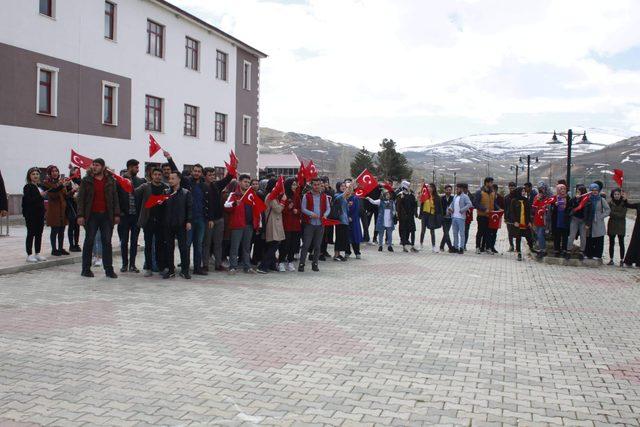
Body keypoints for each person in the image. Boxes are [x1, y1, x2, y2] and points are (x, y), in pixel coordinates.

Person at [76, 158, 120, 278]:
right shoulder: (86, 181)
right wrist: (80, 215)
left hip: (106, 215)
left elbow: (115, 198)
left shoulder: (110, 180)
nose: (94, 167)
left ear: (103, 167)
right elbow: (80, 199)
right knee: (89, 241)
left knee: (107, 242)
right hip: (91, 216)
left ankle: (109, 270)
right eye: (93, 165)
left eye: (97, 165)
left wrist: (116, 214)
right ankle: (85, 269)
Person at [136, 167, 170, 277]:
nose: (157, 176)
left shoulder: (166, 188)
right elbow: (134, 193)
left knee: (160, 245)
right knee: (148, 245)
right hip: (148, 220)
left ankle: (160, 267)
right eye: (155, 174)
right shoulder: (146, 186)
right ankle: (149, 267)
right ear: (152, 175)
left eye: (159, 175)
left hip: (161, 221)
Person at [117, 159, 146, 273]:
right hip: (124, 216)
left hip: (136, 216)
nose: (138, 169)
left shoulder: (140, 181)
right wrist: (118, 213)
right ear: (130, 167)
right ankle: (124, 264)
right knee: (124, 241)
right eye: (136, 167)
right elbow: (116, 197)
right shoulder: (120, 180)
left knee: (134, 241)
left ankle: (132, 265)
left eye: (138, 167)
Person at [180, 163, 210, 275]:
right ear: (192, 171)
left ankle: (197, 268)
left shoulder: (204, 185)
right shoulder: (186, 183)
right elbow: (176, 171)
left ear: (201, 173)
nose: (197, 173)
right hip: (189, 220)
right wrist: (169, 158)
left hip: (201, 219)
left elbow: (208, 203)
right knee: (187, 244)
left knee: (198, 245)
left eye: (199, 171)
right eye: (195, 171)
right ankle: (185, 268)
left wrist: (209, 218)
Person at [224, 174, 257, 274]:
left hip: (249, 225)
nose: (247, 184)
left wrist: (257, 223)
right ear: (239, 182)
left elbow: (256, 210)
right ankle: (232, 267)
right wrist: (234, 204)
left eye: (248, 182)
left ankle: (247, 267)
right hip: (237, 225)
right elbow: (226, 206)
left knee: (247, 248)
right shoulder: (233, 195)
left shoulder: (251, 195)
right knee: (235, 247)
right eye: (245, 182)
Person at [162, 171, 192, 279]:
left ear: (179, 179)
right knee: (169, 248)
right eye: (169, 178)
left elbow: (189, 208)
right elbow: (162, 209)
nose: (170, 180)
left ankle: (185, 270)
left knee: (183, 248)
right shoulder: (166, 192)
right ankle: (170, 270)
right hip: (168, 224)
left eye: (173, 178)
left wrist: (189, 221)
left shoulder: (185, 193)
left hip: (181, 224)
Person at [203, 168, 233, 272]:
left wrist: (234, 165)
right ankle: (205, 265)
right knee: (207, 243)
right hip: (208, 220)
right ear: (205, 176)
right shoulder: (201, 187)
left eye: (213, 175)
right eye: (210, 175)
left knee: (218, 243)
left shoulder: (216, 185)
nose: (212, 177)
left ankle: (218, 264)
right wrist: (209, 218)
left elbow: (229, 177)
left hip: (219, 219)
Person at [299, 177, 330, 272]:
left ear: (321, 185)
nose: (317, 186)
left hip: (320, 224)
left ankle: (315, 264)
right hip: (309, 224)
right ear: (311, 185)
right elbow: (303, 208)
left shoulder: (324, 196)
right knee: (306, 245)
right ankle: (301, 264)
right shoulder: (306, 196)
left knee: (317, 246)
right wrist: (311, 213)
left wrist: (325, 215)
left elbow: (328, 208)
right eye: (315, 185)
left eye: (318, 185)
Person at [257, 179, 286, 274]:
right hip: (272, 223)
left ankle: (272, 264)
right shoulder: (271, 196)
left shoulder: (274, 196)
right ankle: (263, 266)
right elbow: (278, 209)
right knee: (274, 245)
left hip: (275, 223)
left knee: (272, 245)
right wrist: (283, 201)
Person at [42, 165, 69, 256]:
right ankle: (54, 249)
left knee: (62, 230)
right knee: (55, 230)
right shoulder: (47, 183)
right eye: (53, 171)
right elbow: (53, 194)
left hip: (62, 209)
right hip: (54, 210)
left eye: (56, 171)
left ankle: (60, 248)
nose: (55, 173)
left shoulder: (60, 182)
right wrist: (61, 186)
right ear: (49, 173)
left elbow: (65, 194)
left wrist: (72, 190)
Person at [22, 167, 47, 262]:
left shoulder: (40, 186)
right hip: (31, 214)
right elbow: (29, 200)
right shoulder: (28, 187)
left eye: (37, 174)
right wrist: (40, 196)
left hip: (40, 214)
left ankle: (37, 253)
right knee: (31, 233)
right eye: (33, 174)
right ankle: (29, 254)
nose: (35, 176)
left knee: (39, 234)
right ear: (29, 176)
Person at [279, 177, 302, 271]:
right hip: (286, 224)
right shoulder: (283, 196)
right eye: (293, 184)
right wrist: (288, 208)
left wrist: (298, 211)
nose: (295, 186)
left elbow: (301, 209)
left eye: (296, 184)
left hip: (295, 225)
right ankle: (281, 262)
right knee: (285, 244)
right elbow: (280, 210)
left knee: (293, 244)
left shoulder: (297, 196)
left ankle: (290, 261)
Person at [584, 183, 610, 260]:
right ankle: (588, 254)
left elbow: (608, 209)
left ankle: (597, 255)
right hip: (589, 221)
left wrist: (601, 216)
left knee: (599, 239)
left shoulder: (601, 200)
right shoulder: (587, 199)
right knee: (589, 238)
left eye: (596, 190)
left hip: (598, 222)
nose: (595, 192)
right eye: (593, 190)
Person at [473, 177, 498, 254]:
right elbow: (475, 203)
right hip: (482, 216)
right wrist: (484, 209)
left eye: (492, 182)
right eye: (490, 182)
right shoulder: (479, 192)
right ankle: (477, 247)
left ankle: (488, 248)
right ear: (486, 183)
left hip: (490, 216)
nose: (491, 184)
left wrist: (498, 209)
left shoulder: (493, 192)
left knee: (488, 232)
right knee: (480, 232)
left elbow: (494, 203)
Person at [448, 183, 473, 254]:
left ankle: (461, 247)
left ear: (461, 189)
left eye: (458, 189)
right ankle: (455, 247)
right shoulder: (455, 196)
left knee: (462, 233)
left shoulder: (465, 196)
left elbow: (469, 204)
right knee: (455, 233)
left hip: (461, 218)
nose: (456, 190)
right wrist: (450, 208)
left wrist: (462, 210)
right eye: (456, 189)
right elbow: (452, 204)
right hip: (454, 217)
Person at [510, 186, 532, 261]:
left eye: (524, 191)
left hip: (525, 223)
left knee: (529, 237)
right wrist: (514, 221)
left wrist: (529, 221)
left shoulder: (526, 200)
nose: (523, 193)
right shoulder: (514, 201)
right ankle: (519, 253)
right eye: (522, 191)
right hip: (518, 223)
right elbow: (512, 212)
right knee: (518, 238)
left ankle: (532, 249)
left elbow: (529, 212)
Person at [332, 181, 353, 261]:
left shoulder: (343, 196)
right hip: (340, 220)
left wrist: (351, 187)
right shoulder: (337, 195)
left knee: (343, 238)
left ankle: (339, 254)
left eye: (344, 186)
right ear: (338, 187)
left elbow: (349, 194)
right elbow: (343, 195)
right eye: (341, 186)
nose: (343, 187)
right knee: (339, 238)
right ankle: (336, 255)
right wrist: (349, 188)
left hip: (345, 220)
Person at [396, 180, 419, 253]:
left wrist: (415, 212)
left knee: (412, 230)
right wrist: (400, 215)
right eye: (408, 186)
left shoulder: (411, 194)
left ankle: (412, 245)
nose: (409, 187)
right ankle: (404, 245)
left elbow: (415, 204)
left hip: (410, 216)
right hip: (403, 217)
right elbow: (399, 206)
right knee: (403, 230)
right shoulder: (400, 195)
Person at [607, 188, 628, 266]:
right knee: (611, 243)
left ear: (620, 195)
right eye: (615, 194)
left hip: (621, 225)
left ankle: (622, 259)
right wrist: (615, 214)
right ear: (613, 195)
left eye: (618, 194)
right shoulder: (610, 203)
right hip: (612, 224)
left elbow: (623, 214)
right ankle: (611, 259)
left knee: (621, 242)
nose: (616, 196)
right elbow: (608, 212)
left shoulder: (624, 203)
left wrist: (613, 214)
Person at [420, 183, 443, 252]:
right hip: (424, 214)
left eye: (430, 187)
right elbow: (421, 205)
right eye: (428, 187)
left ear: (433, 188)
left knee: (432, 231)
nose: (429, 188)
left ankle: (433, 246)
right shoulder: (425, 195)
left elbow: (440, 207)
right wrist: (420, 214)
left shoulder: (436, 197)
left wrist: (440, 216)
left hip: (432, 215)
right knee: (423, 230)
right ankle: (421, 244)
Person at [549, 184, 570, 258]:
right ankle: (557, 250)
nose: (563, 191)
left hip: (565, 220)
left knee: (565, 236)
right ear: (558, 190)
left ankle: (564, 250)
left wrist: (566, 206)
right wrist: (555, 205)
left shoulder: (568, 198)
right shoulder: (554, 198)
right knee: (557, 236)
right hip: (557, 220)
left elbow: (571, 208)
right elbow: (551, 209)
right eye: (561, 189)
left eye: (564, 189)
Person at [568, 184, 588, 259]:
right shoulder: (573, 199)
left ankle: (582, 251)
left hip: (583, 220)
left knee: (583, 237)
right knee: (572, 235)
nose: (578, 194)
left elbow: (588, 211)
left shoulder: (587, 200)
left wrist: (588, 222)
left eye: (579, 192)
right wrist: (576, 201)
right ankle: (569, 250)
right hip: (575, 219)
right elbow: (570, 208)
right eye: (577, 192)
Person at [66, 165, 81, 252]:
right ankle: (71, 245)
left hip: (78, 206)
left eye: (78, 171)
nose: (76, 173)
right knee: (71, 226)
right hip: (71, 205)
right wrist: (73, 191)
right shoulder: (68, 182)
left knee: (77, 226)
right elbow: (66, 195)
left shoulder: (81, 182)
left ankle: (76, 243)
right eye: (74, 171)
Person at [345, 186, 363, 259]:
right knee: (346, 237)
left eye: (350, 189)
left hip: (354, 220)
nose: (348, 190)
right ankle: (347, 251)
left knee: (355, 236)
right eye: (347, 189)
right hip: (345, 220)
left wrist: (351, 217)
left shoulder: (355, 198)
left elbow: (356, 210)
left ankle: (357, 252)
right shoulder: (343, 198)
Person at [531, 186, 549, 259]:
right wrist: (538, 200)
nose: (541, 194)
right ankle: (541, 249)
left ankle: (543, 250)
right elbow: (533, 208)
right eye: (540, 192)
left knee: (540, 235)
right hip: (537, 219)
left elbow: (547, 210)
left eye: (542, 192)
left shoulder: (547, 199)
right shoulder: (536, 197)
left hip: (543, 220)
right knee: (538, 235)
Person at [622, 197, 640, 267]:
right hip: (638, 228)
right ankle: (629, 261)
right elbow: (628, 205)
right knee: (634, 243)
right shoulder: (638, 204)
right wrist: (625, 200)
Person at [440, 184, 454, 252]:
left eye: (450, 190)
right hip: (443, 218)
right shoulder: (442, 198)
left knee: (446, 232)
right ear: (445, 190)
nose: (449, 191)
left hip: (450, 218)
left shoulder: (453, 198)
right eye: (447, 190)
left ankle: (441, 246)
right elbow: (439, 208)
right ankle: (450, 247)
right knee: (446, 232)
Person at [503, 182, 517, 252]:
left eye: (513, 188)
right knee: (510, 232)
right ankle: (511, 245)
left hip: (517, 218)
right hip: (509, 217)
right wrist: (505, 218)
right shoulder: (506, 197)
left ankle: (518, 247)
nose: (512, 189)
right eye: (510, 187)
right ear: (508, 188)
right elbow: (505, 209)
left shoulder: (518, 197)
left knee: (518, 233)